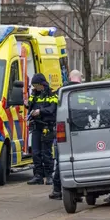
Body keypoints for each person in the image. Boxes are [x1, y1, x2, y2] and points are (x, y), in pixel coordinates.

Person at [49, 69, 83, 200]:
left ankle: (57, 189)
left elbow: (53, 111)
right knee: (79, 160)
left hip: (62, 131)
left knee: (62, 160)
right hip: (80, 130)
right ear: (80, 78)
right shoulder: (85, 91)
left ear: (69, 77)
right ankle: (78, 192)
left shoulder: (61, 92)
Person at [26, 73, 58, 185]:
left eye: (36, 85)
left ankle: (49, 175)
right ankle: (38, 175)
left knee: (46, 152)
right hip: (36, 125)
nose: (35, 87)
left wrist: (40, 111)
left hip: (47, 126)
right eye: (34, 85)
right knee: (35, 152)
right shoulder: (34, 94)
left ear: (42, 84)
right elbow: (30, 105)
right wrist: (27, 105)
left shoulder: (52, 94)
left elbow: (52, 109)